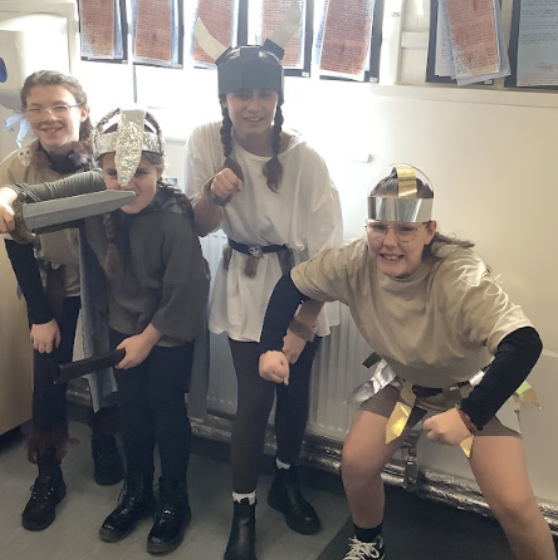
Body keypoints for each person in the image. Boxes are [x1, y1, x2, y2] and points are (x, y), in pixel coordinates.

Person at [258, 164, 556, 560]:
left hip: (473, 389)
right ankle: (368, 541)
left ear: (429, 231)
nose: (389, 241)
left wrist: (468, 416)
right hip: (406, 383)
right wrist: (271, 347)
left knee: (514, 506)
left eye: (405, 229)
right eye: (379, 227)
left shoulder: (459, 273)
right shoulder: (354, 258)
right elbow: (293, 284)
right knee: (357, 463)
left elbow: (524, 343)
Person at [0, 108, 210, 555]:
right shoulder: (95, 193)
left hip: (166, 330)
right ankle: (136, 492)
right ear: (100, 171)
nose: (128, 182)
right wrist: (6, 201)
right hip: (121, 324)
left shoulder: (174, 220)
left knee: (166, 410)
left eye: (143, 172)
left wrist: (147, 339)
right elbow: (26, 198)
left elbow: (185, 294)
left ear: (160, 170)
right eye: (115, 172)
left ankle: (174, 499)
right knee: (131, 408)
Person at [184, 32, 343, 560]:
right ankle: (243, 509)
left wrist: (301, 326)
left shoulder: (306, 158)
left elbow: (327, 255)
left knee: (293, 393)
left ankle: (286, 480)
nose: (252, 105)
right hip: (245, 283)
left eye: (264, 95)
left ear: (278, 99)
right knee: (254, 401)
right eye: (240, 95)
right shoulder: (207, 139)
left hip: (299, 285)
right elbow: (199, 226)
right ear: (224, 99)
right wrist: (212, 192)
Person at [0, 70, 123, 532]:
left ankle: (105, 441)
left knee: (106, 362)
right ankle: (48, 472)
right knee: (47, 377)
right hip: (51, 284)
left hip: (103, 283)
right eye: (36, 108)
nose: (48, 117)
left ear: (81, 112)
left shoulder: (105, 159)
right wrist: (40, 315)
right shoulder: (16, 169)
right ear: (26, 114)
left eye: (59, 107)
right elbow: (16, 244)